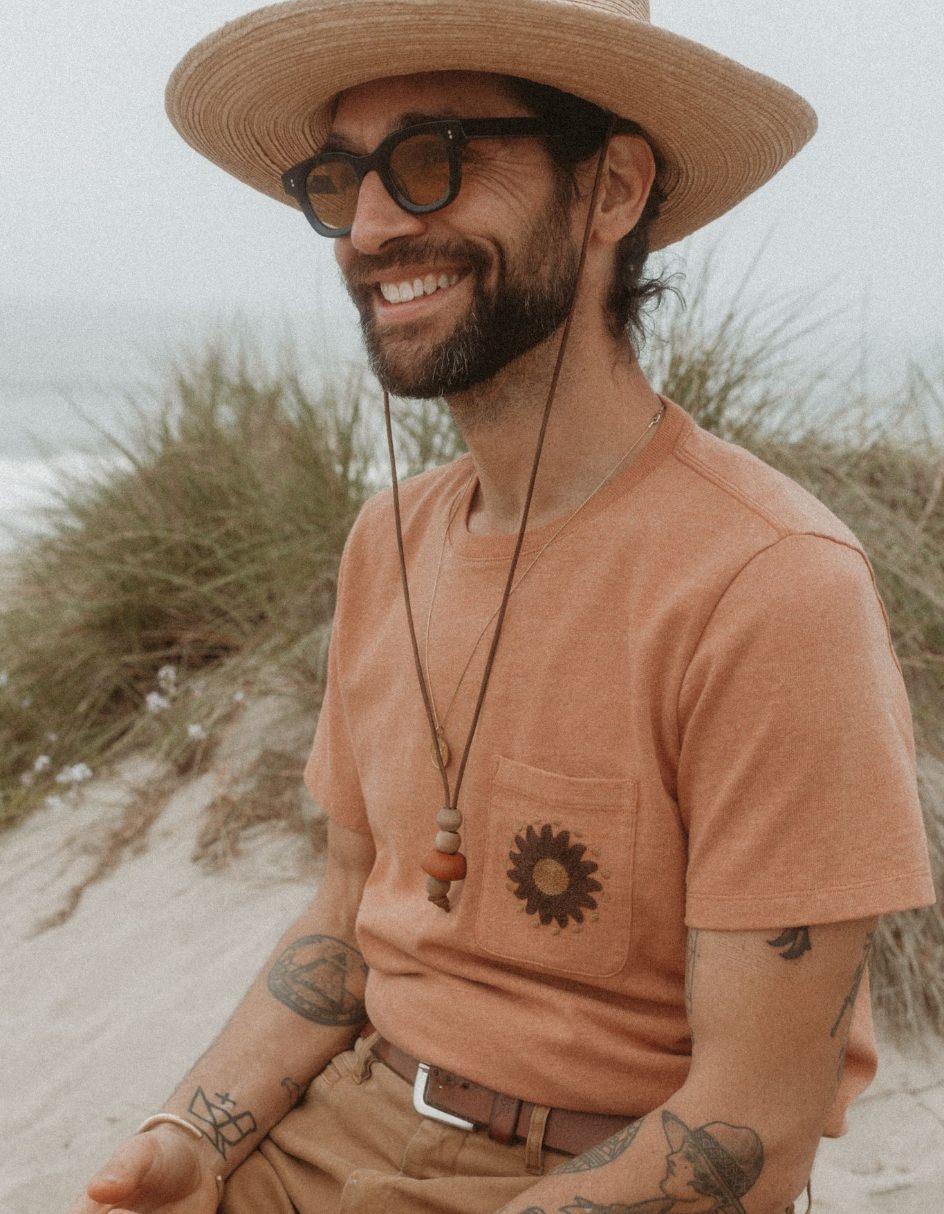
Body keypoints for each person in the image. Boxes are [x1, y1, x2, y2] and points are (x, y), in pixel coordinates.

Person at [72, 2, 935, 1213]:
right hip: (337, 1128)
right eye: (342, 176)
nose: (370, 225)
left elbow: (754, 1121)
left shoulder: (769, 582)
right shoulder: (389, 541)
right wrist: (196, 1132)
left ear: (611, 189)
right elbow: (345, 913)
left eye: (433, 157)